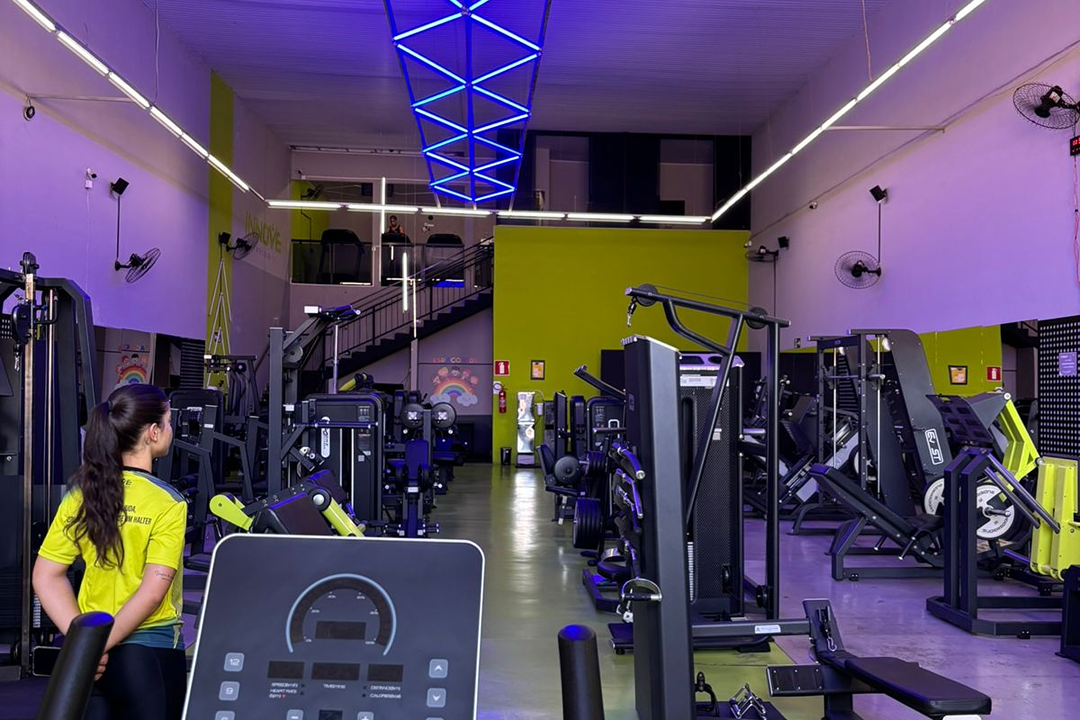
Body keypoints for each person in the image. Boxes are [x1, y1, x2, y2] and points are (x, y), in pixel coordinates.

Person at [33, 383, 186, 720]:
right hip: (148, 654)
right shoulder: (168, 502)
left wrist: (86, 646)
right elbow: (151, 593)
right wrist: (98, 646)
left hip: (90, 661)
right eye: (168, 422)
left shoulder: (81, 494)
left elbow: (45, 575)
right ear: (153, 432)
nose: (170, 430)